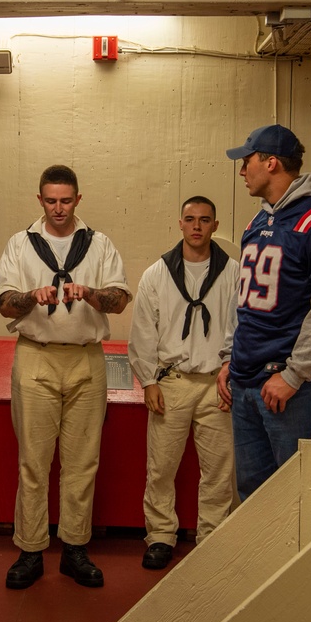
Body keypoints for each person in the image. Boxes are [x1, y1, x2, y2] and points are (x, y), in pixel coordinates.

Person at [0, 164, 131, 589]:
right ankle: (31, 550)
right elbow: (2, 303)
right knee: (34, 462)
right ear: (39, 200)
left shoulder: (99, 244)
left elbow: (119, 300)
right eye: (50, 200)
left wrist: (89, 292)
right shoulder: (21, 244)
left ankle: (74, 548)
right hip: (37, 356)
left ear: (78, 199)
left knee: (82, 462)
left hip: (87, 359)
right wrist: (28, 298)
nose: (58, 208)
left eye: (65, 200)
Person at [217, 124, 311, 500]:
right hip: (248, 383)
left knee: (299, 500)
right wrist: (232, 357)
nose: (242, 170)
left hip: (293, 391)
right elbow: (244, 300)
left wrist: (295, 374)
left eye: (247, 161)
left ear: (272, 163)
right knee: (255, 500)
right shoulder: (259, 222)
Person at [127, 196, 240, 569]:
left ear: (214, 224)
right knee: (161, 467)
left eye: (204, 220)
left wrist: (231, 371)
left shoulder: (232, 272)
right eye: (190, 219)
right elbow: (143, 330)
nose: (196, 226)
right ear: (180, 223)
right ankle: (160, 535)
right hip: (172, 381)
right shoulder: (158, 273)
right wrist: (148, 381)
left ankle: (213, 536)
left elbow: (242, 326)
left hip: (216, 382)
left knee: (220, 469)